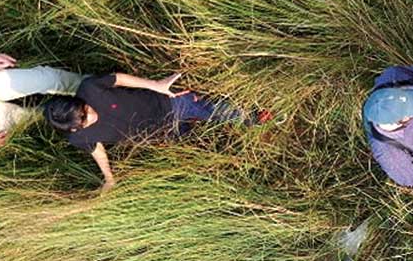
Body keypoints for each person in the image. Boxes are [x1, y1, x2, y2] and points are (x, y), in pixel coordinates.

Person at [40, 71, 268, 189]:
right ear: (73, 129)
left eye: (86, 110)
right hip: (163, 135)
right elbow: (97, 150)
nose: (91, 116)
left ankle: (256, 118)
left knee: (213, 111)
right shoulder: (78, 137)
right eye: (84, 121)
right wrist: (109, 178)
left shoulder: (89, 88)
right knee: (200, 139)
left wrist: (156, 85)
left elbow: (118, 78)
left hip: (169, 103)